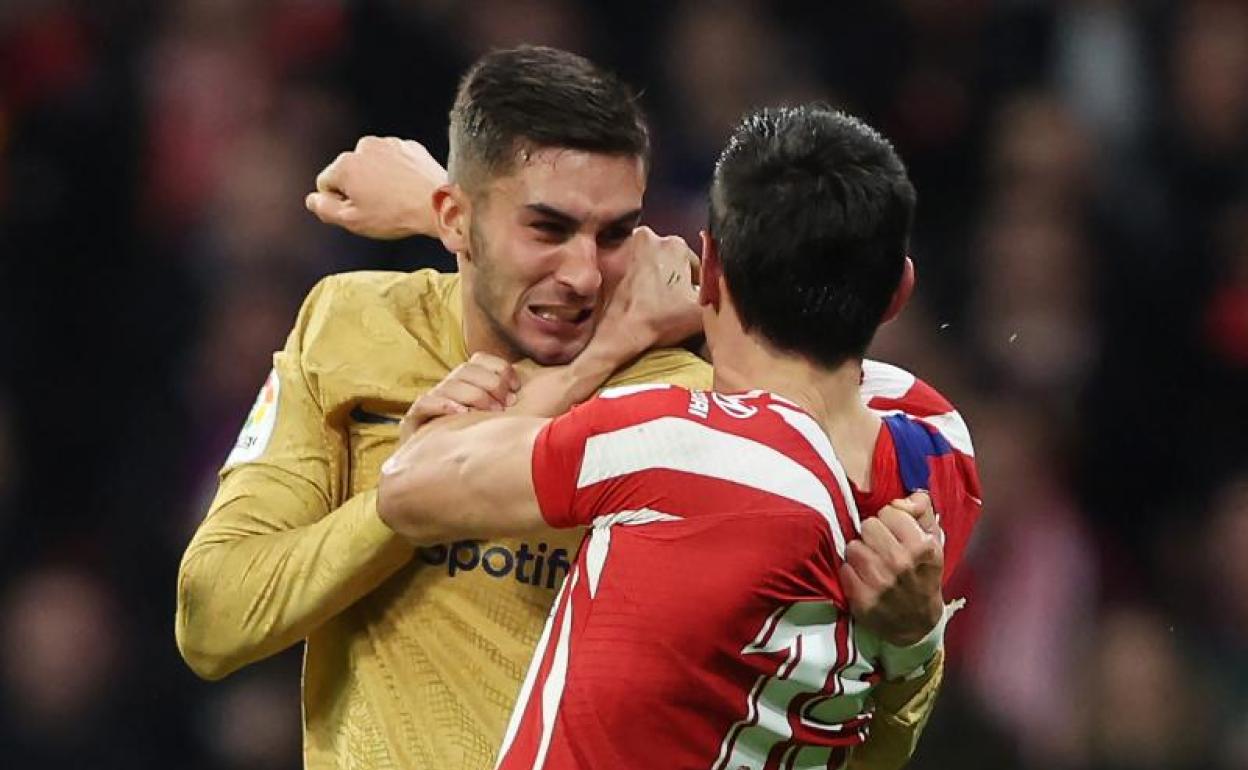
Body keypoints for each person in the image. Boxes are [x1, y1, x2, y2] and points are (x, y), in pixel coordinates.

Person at [177, 46, 949, 770]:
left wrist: (912, 651)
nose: (583, 274)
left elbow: (822, 738)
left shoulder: (695, 410)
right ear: (452, 219)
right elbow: (214, 620)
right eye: (548, 228)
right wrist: (405, 500)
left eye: (614, 235)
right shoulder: (352, 325)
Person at [375, 104, 981, 769]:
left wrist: (612, 341)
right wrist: (918, 645)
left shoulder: (678, 448)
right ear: (899, 293)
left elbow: (409, 486)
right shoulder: (941, 456)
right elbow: (837, 383)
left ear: (712, 266)